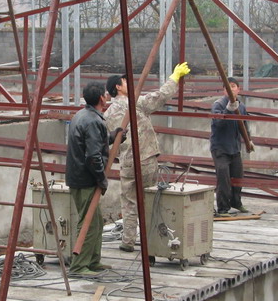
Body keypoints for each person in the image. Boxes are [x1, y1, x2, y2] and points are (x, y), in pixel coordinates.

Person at [104, 62, 191, 252]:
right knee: (150, 201)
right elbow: (159, 97)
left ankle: (128, 241)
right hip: (145, 159)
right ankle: (151, 242)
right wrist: (174, 78)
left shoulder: (108, 114)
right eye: (125, 81)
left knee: (128, 203)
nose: (129, 83)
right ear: (117, 87)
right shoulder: (134, 103)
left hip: (126, 162)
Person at [65, 81, 116, 276]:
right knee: (88, 222)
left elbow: (91, 142)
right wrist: (101, 178)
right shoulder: (93, 120)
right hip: (85, 179)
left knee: (96, 221)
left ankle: (93, 261)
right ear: (102, 98)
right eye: (105, 94)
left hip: (78, 176)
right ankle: (79, 266)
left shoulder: (82, 115)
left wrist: (112, 137)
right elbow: (93, 156)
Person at [210, 77, 250, 215]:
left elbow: (244, 125)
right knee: (224, 179)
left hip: (234, 148)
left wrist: (248, 140)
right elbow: (218, 123)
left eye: (233, 86)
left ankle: (236, 202)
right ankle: (223, 208)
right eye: (227, 87)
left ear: (238, 89)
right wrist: (228, 110)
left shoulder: (242, 106)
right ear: (224, 90)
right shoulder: (218, 105)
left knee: (238, 178)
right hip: (221, 149)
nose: (230, 89)